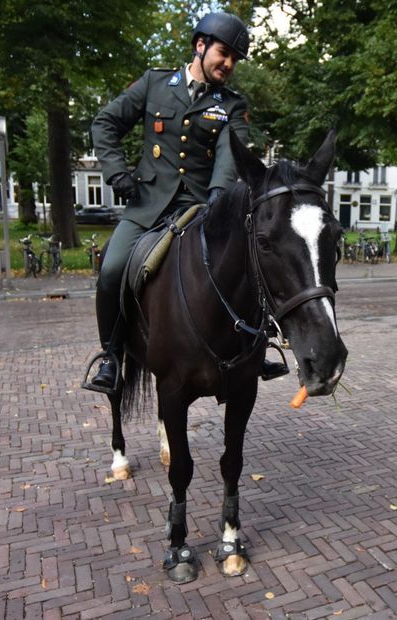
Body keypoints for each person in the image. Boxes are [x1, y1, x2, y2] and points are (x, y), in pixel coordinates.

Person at [88, 12, 287, 390]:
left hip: (200, 206)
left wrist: (217, 197)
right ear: (201, 45)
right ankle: (111, 356)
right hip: (147, 205)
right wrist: (117, 173)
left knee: (250, 261)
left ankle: (259, 346)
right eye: (223, 53)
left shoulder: (231, 104)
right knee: (112, 269)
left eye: (234, 59)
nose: (228, 64)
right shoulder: (155, 83)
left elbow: (232, 153)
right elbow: (105, 123)